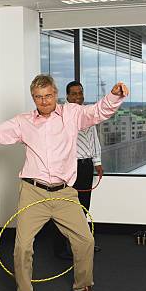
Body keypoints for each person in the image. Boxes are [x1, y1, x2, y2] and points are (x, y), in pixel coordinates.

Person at [0, 74, 128, 291]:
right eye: (38, 97)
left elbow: (98, 112)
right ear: (33, 98)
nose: (43, 101)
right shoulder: (24, 122)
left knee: (85, 241)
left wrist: (115, 95)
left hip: (65, 193)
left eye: (47, 96)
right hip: (33, 192)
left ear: (55, 94)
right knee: (23, 245)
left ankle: (84, 285)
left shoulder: (73, 113)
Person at [54, 80, 104, 259]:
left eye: (80, 93)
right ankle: (61, 249)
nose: (78, 97)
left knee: (84, 206)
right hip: (68, 167)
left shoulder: (88, 114)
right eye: (74, 94)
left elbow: (94, 139)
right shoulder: (61, 114)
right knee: (65, 208)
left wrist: (97, 162)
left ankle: (83, 245)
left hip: (86, 166)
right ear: (67, 96)